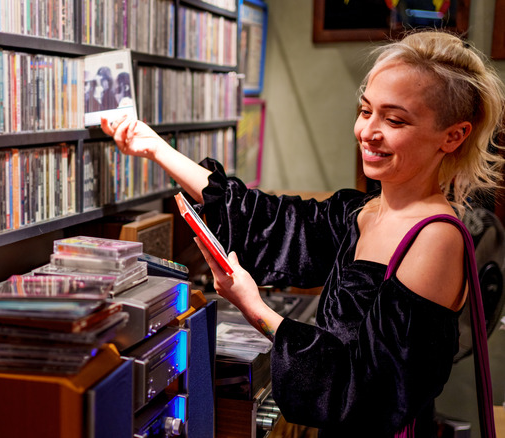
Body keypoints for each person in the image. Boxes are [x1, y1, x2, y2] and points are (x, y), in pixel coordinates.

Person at [101, 30, 505, 437]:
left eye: (394, 119)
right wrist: (154, 148)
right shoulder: (362, 210)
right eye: (366, 111)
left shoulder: (434, 239)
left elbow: (367, 396)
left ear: (453, 136)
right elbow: (267, 220)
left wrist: (255, 309)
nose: (368, 131)